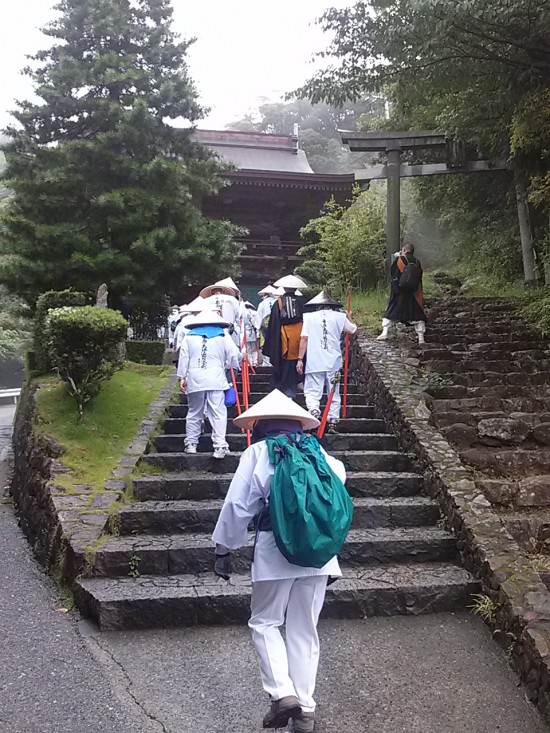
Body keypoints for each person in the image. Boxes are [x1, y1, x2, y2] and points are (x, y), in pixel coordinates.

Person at [212, 390, 346, 733]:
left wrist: (224, 548)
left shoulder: (258, 452)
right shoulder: (321, 454)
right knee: (304, 629)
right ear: (298, 424)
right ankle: (306, 711)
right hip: (319, 554)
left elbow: (238, 505)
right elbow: (336, 491)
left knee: (265, 622)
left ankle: (282, 693)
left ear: (260, 426)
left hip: (275, 549)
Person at [177, 309, 241, 459]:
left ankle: (191, 443)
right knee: (218, 412)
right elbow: (233, 354)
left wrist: (182, 377)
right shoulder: (222, 334)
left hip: (195, 378)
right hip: (216, 378)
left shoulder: (189, 336)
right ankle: (219, 445)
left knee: (194, 411)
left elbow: (183, 357)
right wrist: (233, 365)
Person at [297, 291, 357, 432]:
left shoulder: (309, 317)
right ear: (332, 306)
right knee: (334, 391)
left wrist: (300, 359)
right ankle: (333, 419)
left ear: (317, 306)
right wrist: (349, 318)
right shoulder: (340, 317)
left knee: (312, 390)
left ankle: (314, 411)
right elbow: (354, 330)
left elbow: (304, 339)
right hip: (333, 361)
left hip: (314, 360)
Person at [263, 275, 307, 398]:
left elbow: (273, 323)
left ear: (284, 289)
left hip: (283, 336)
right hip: (300, 334)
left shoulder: (279, 302)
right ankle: (298, 382)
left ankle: (285, 387)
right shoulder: (302, 301)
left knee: (283, 362)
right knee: (299, 360)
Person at [377, 243, 426, 345]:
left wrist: (394, 292)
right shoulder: (417, 262)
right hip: (413, 294)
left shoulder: (399, 260)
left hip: (400, 294)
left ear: (404, 250)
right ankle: (421, 338)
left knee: (391, 313)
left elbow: (394, 275)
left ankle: (384, 333)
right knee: (417, 317)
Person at [200, 277, 242, 347]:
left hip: (211, 333)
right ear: (223, 291)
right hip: (230, 330)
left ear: (211, 292)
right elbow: (239, 316)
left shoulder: (206, 301)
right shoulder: (232, 299)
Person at [243, 301, 260, 366]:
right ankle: (255, 362)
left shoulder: (243, 313)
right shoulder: (255, 313)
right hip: (253, 332)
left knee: (248, 350)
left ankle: (249, 363)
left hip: (245, 332)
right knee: (254, 349)